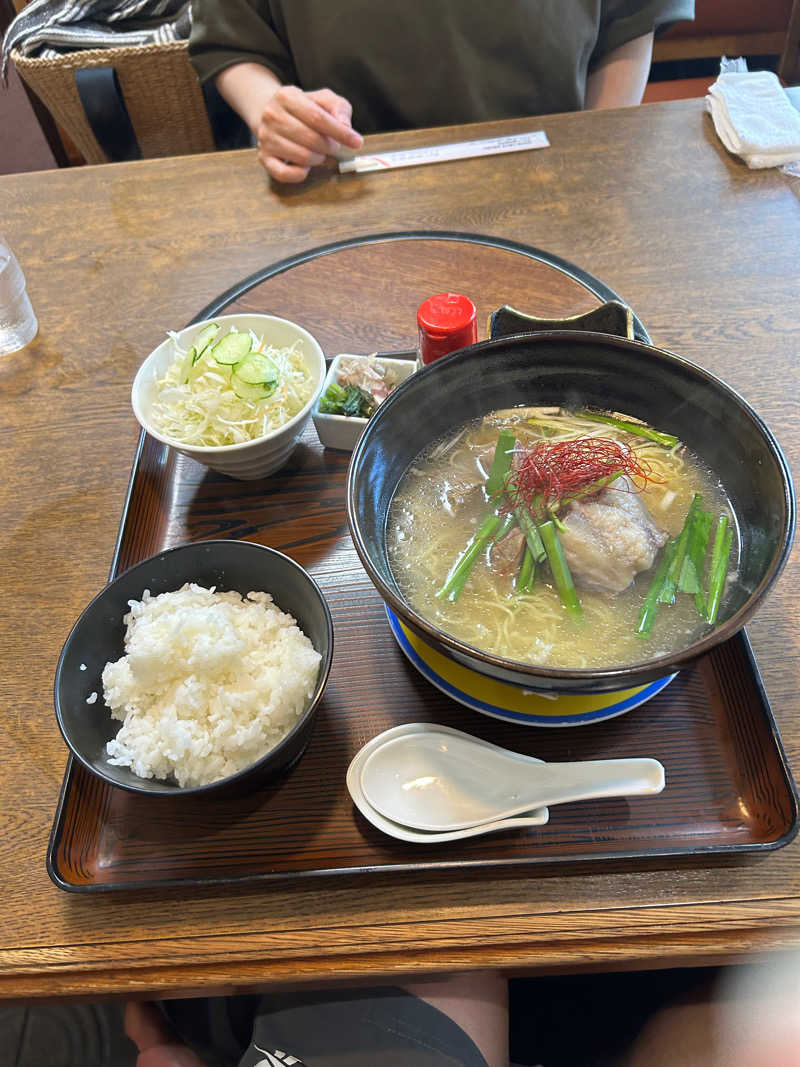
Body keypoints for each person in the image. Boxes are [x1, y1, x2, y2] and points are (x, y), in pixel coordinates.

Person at [188, 0, 694, 182]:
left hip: (551, 175)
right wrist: (271, 113)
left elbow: (630, 20)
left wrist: (595, 148)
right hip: (344, 181)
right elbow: (233, 36)